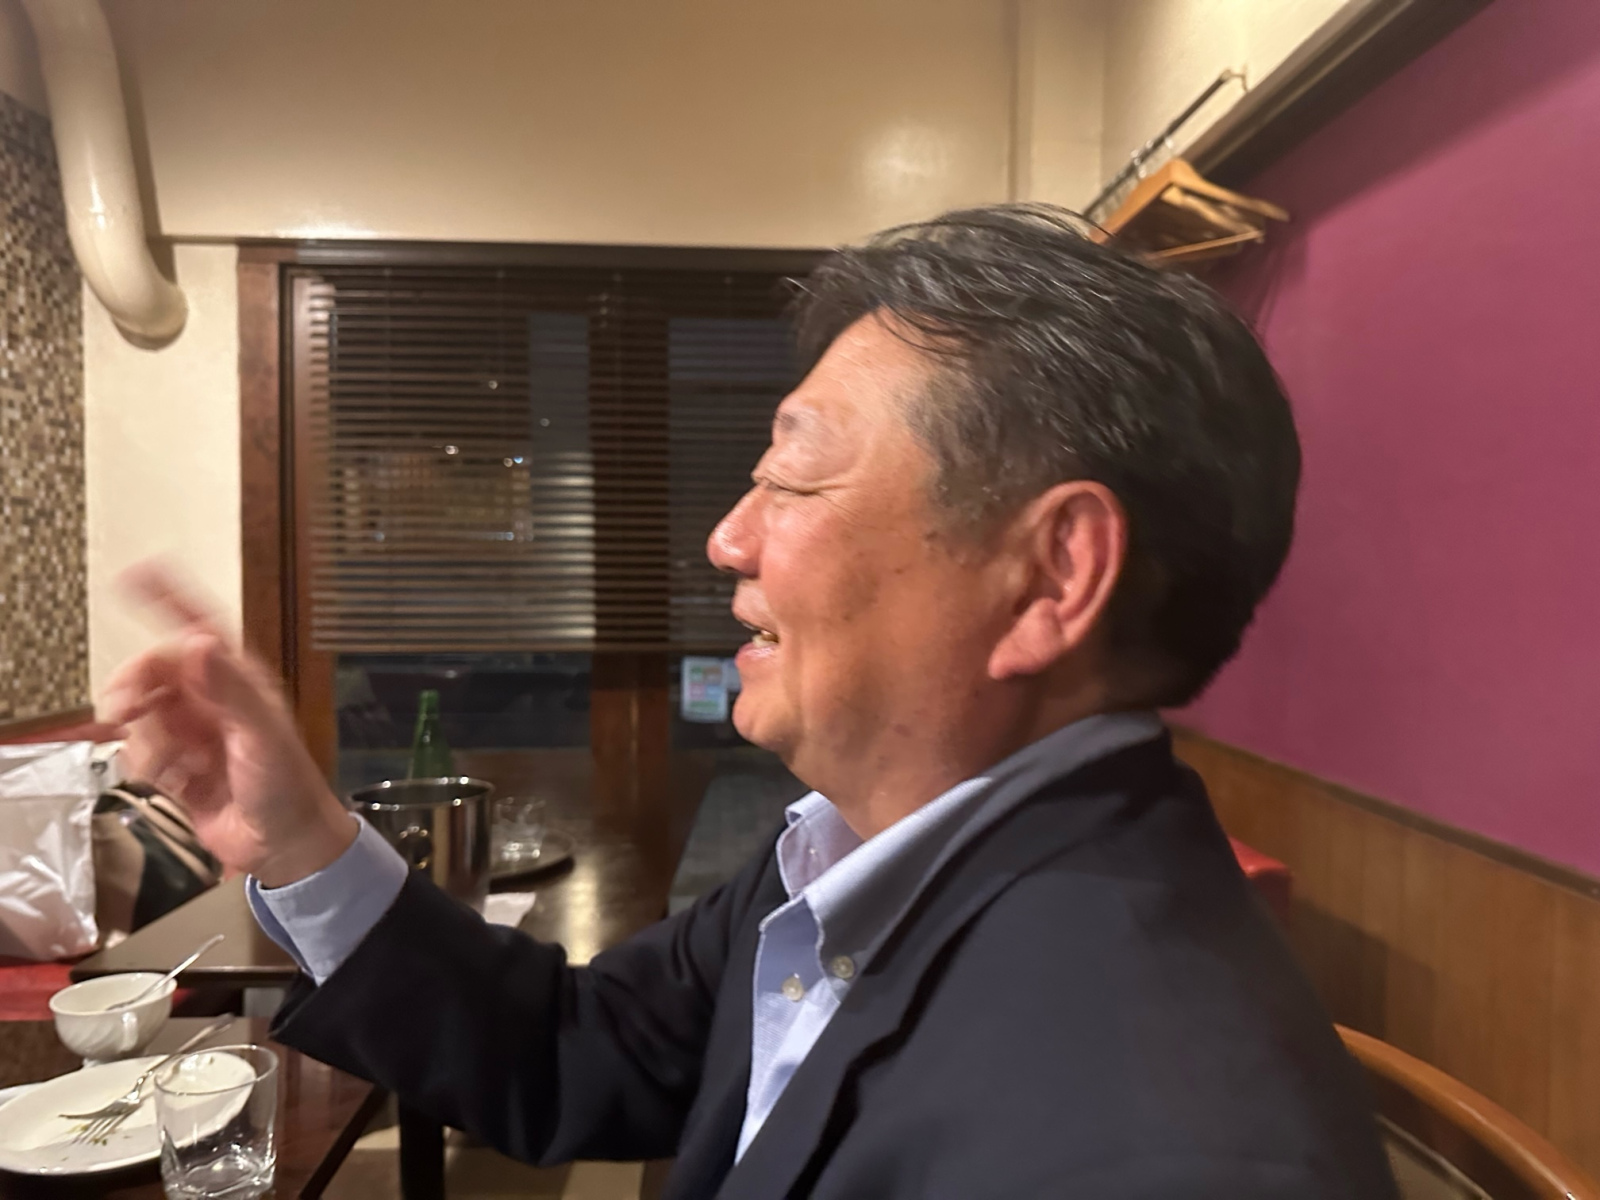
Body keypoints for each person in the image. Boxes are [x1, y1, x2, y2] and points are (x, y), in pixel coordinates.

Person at [103, 205, 1398, 1199]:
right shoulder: (855, 851)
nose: (726, 538)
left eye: (792, 478)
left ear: (1051, 575)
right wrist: (301, 840)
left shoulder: (1159, 1149)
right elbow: (579, 1050)